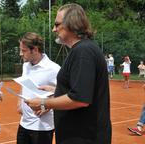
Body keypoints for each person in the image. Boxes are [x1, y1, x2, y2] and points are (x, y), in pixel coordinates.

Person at [25, 3, 112, 144]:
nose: (54, 29)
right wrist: (58, 90)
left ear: (72, 24)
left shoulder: (83, 52)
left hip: (84, 137)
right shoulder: (83, 49)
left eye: (57, 24)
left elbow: (80, 99)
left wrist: (43, 102)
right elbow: (83, 89)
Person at [16, 32, 61, 144]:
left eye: (24, 50)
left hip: (42, 127)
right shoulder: (25, 66)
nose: (21, 54)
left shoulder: (54, 69)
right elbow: (24, 85)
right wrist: (19, 102)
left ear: (35, 50)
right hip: (24, 123)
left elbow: (65, 93)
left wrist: (49, 105)